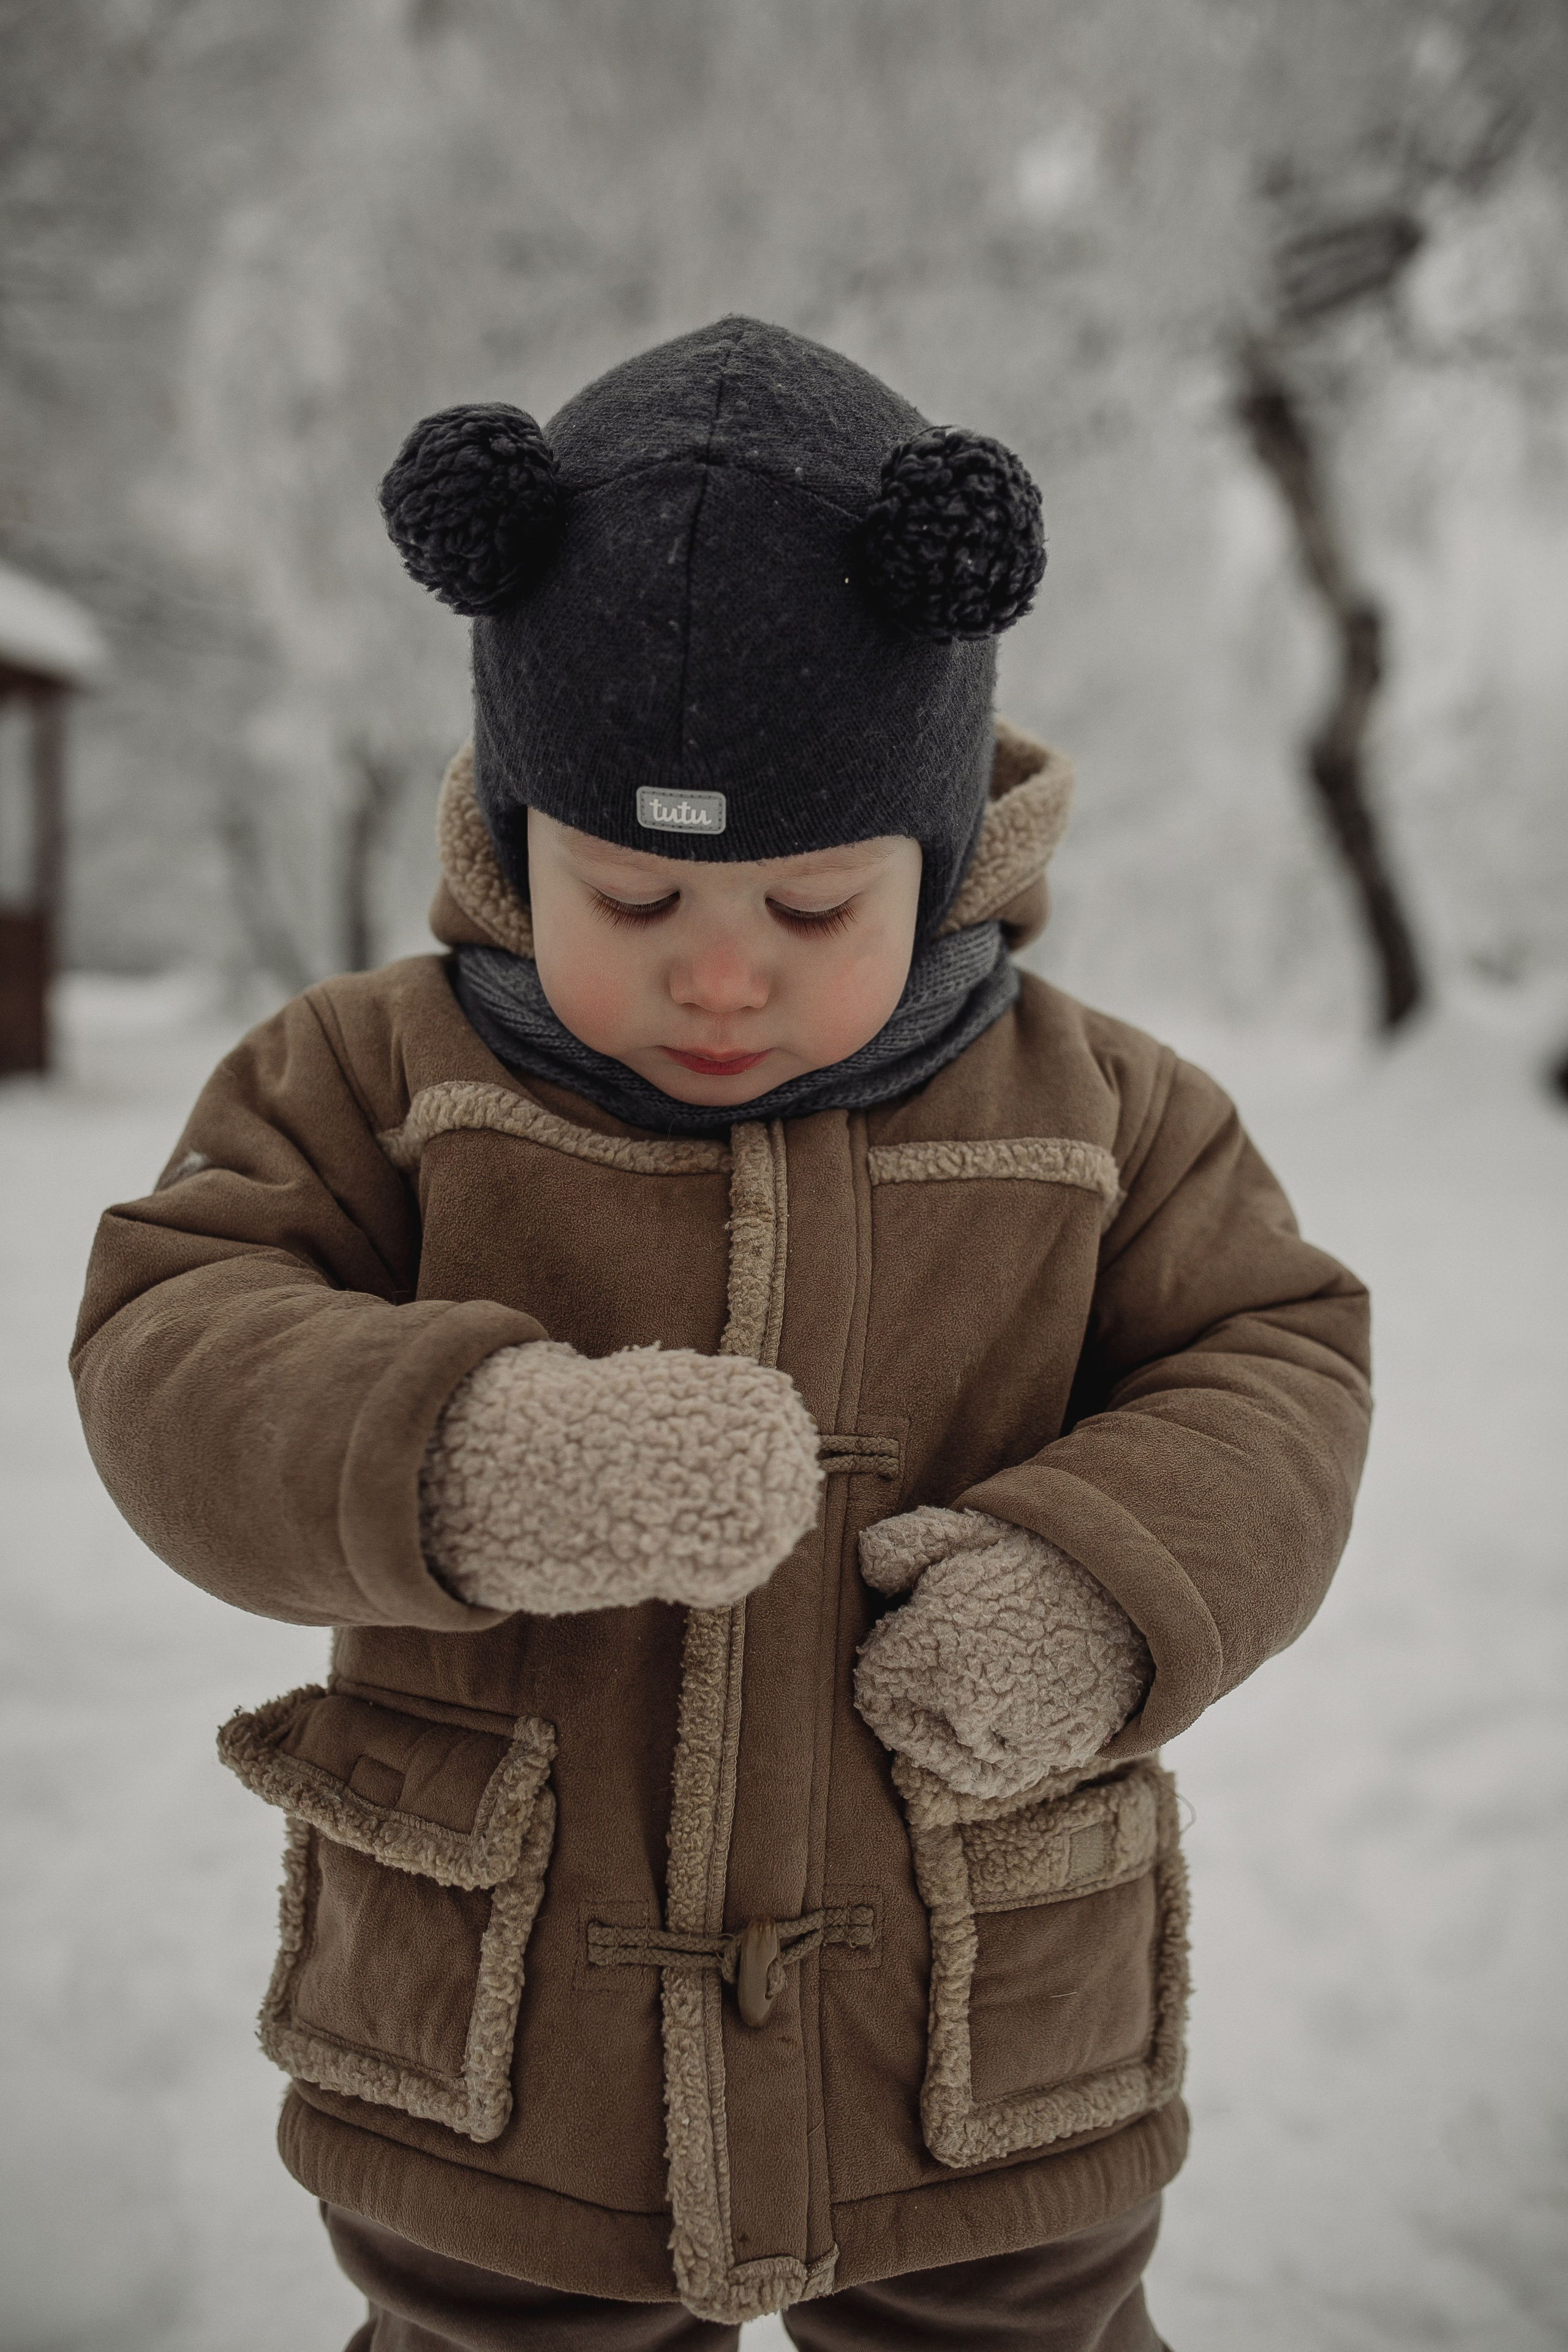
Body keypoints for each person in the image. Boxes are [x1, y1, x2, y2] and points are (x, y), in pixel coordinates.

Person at [71, 316, 1371, 2352]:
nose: (721, 979)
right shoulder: (365, 1079)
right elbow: (177, 1339)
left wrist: (1099, 1594)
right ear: (519, 835)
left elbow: (1276, 1367)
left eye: (810, 910)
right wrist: (464, 1453)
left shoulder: (1106, 1115)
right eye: (635, 900)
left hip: (971, 2026)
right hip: (520, 2042)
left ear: (942, 856)